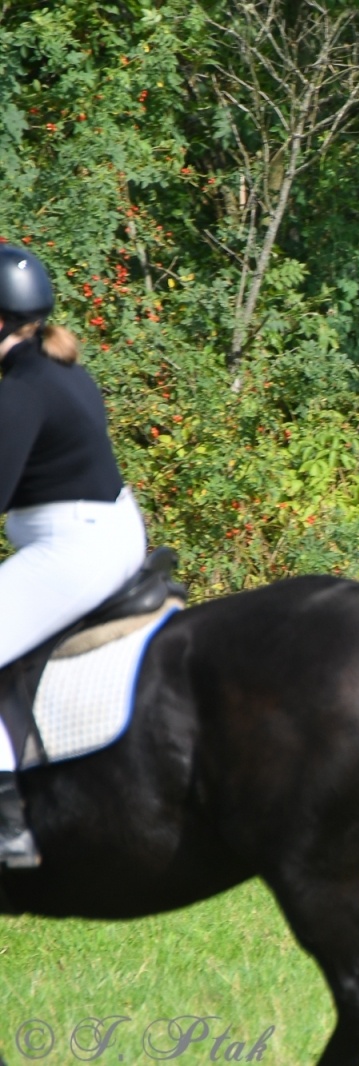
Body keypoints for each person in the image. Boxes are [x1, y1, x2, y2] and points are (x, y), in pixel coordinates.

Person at [0, 245, 149, 867]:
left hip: (74, 547)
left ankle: (6, 822)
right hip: (105, 530)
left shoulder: (25, 390)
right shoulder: (53, 367)